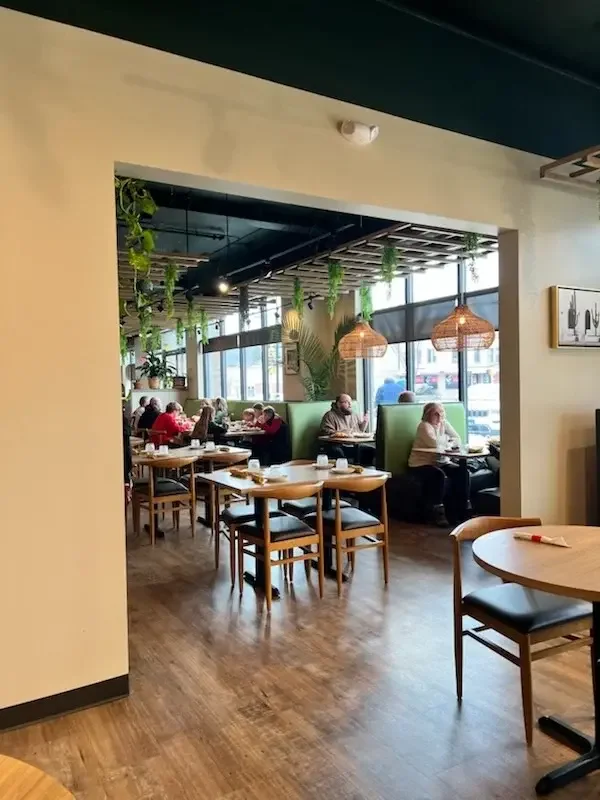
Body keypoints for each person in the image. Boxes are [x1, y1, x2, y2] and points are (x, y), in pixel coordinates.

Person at [408, 402, 468, 526]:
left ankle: (461, 510)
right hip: (420, 464)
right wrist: (448, 441)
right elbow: (435, 444)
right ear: (427, 414)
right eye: (436, 414)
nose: (439, 416)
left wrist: (447, 442)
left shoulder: (444, 423)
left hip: (441, 462)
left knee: (462, 472)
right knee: (438, 475)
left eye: (441, 413)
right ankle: (437, 513)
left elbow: (457, 439)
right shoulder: (424, 426)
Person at [319, 394, 374, 465]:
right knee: (337, 452)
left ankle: (364, 472)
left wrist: (365, 422)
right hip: (337, 445)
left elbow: (360, 431)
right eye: (347, 402)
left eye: (350, 402)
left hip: (353, 445)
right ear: (338, 404)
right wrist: (342, 434)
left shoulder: (353, 415)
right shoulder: (330, 415)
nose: (350, 405)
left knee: (370, 451)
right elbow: (326, 432)